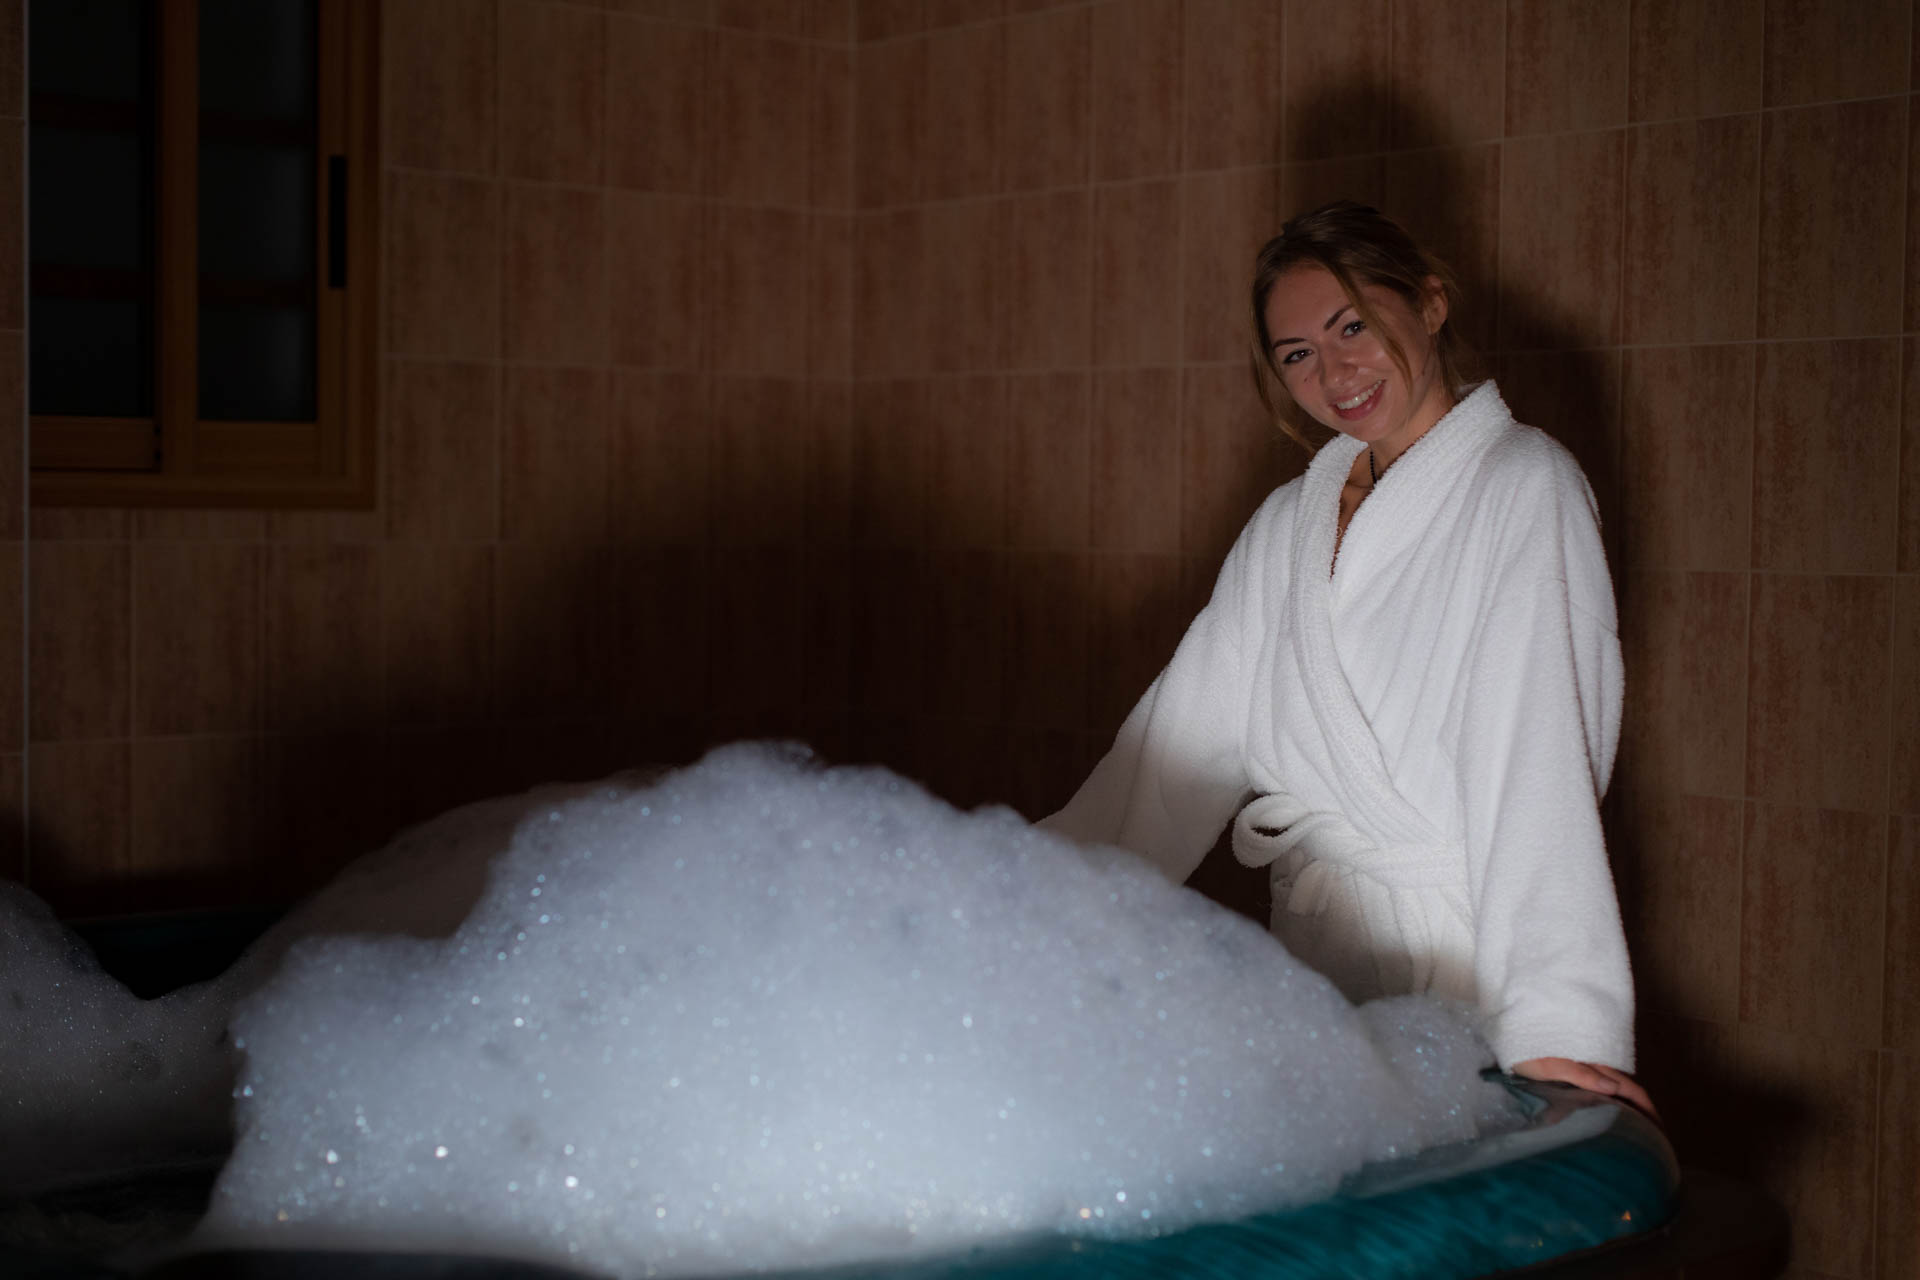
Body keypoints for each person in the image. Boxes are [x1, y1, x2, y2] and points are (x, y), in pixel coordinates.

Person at [1042, 200, 1652, 1117]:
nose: (1332, 373)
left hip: (1471, 984)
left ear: (1431, 303)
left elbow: (1536, 771)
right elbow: (1171, 759)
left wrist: (1558, 1029)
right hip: (1314, 976)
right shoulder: (1287, 523)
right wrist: (1034, 905)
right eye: (1296, 354)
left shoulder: (1525, 486)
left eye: (1351, 327)